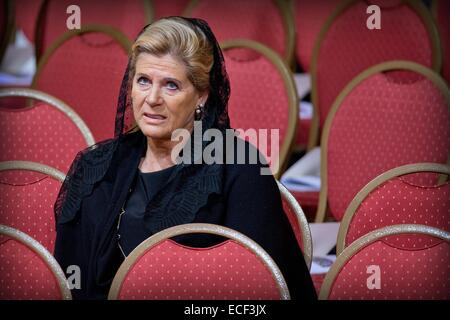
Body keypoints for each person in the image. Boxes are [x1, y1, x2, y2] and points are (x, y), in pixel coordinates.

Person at [54, 16, 316, 300]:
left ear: (201, 95)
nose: (152, 98)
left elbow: (260, 290)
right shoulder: (95, 169)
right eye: (143, 81)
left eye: (171, 85)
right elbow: (70, 282)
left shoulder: (240, 168)